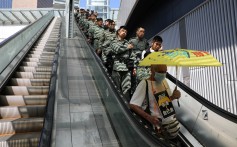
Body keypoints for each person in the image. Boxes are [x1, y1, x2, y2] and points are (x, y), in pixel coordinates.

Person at [130, 64, 181, 139]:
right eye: (160, 72)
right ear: (152, 71)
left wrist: (173, 96)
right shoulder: (145, 84)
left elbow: (167, 100)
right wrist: (149, 117)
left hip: (171, 124)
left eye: (165, 72)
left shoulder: (164, 82)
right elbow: (133, 105)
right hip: (157, 126)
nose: (163, 74)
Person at [110, 26, 136, 100]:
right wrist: (127, 47)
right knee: (116, 87)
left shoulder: (127, 43)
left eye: (125, 31)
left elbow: (132, 55)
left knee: (127, 88)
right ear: (118, 31)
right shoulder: (113, 41)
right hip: (117, 67)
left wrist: (134, 67)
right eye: (122, 30)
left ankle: (126, 106)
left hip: (126, 68)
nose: (124, 32)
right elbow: (116, 50)